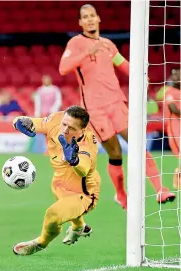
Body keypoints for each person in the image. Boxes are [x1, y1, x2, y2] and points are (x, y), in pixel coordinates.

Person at [58, 4, 175, 209]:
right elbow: (63, 68)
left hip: (116, 103)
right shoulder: (76, 43)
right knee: (116, 153)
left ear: (98, 18)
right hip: (95, 110)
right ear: (80, 22)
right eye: (85, 17)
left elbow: (123, 64)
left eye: (92, 16)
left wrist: (140, 75)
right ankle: (121, 194)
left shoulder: (108, 44)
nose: (90, 20)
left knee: (137, 144)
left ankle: (160, 189)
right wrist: (87, 52)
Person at [12, 106, 100, 255]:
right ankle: (79, 227)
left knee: (53, 214)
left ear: (82, 130)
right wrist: (18, 122)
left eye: (71, 128)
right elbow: (30, 122)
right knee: (68, 209)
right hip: (59, 184)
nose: (65, 130)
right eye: (64, 124)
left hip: (82, 194)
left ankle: (41, 243)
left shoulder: (87, 143)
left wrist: (74, 160)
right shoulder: (56, 120)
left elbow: (84, 169)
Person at [155, 69, 180, 189]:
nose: (175, 77)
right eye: (174, 75)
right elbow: (173, 109)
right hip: (175, 128)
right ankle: (177, 180)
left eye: (178, 75)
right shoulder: (169, 92)